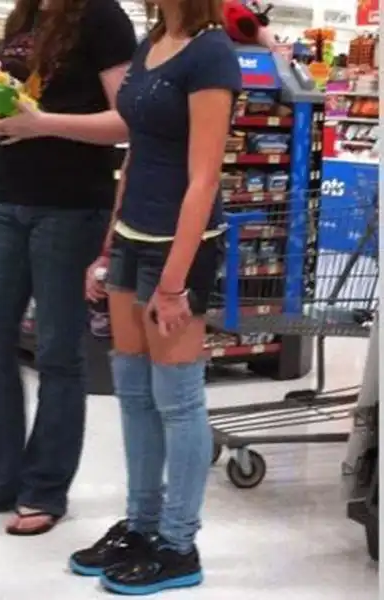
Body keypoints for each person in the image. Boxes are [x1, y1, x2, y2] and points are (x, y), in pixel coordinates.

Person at [0, 0, 136, 536]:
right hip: (6, 200)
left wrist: (42, 124)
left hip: (70, 206)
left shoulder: (102, 16)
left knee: (58, 353)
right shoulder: (23, 17)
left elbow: (126, 121)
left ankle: (44, 488)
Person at [69, 0, 242, 595]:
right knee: (135, 392)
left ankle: (178, 544)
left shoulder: (212, 54)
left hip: (180, 248)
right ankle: (141, 526)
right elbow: (137, 151)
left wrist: (174, 282)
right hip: (131, 237)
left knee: (177, 398)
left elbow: (204, 178)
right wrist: (108, 243)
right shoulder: (152, 41)